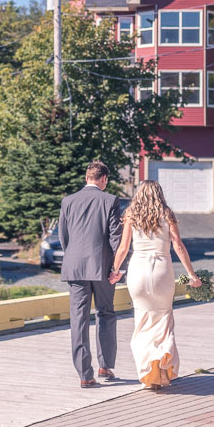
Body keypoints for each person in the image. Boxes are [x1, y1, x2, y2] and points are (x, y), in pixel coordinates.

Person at [109, 180, 201, 390]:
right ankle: (162, 367)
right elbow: (178, 245)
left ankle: (148, 373)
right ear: (159, 193)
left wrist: (115, 271)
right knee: (163, 319)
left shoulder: (131, 214)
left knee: (142, 321)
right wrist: (191, 274)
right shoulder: (167, 214)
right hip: (161, 269)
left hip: (138, 270)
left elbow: (123, 248)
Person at [59, 160, 122, 388]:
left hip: (74, 267)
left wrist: (74, 258)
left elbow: (63, 237)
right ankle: (105, 365)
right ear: (103, 179)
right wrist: (118, 268)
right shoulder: (111, 201)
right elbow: (116, 237)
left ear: (87, 178)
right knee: (105, 313)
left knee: (79, 320)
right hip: (103, 268)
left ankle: (85, 375)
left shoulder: (68, 201)